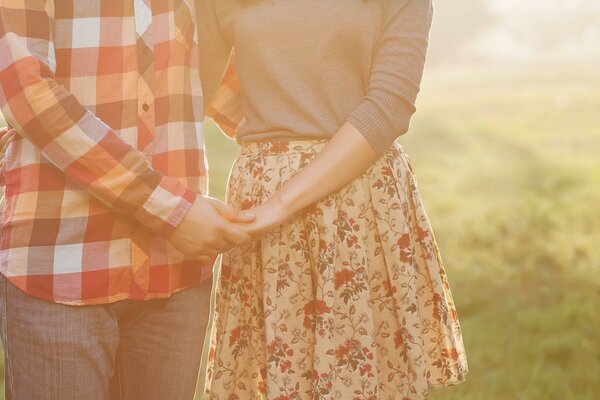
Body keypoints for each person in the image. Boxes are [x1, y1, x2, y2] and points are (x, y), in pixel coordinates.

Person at [198, 0, 469, 399]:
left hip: (361, 205)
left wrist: (283, 195)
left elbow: (389, 105)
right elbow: (189, 92)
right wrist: (276, 139)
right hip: (264, 206)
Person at [0, 1, 251, 399]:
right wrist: (171, 210)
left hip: (175, 274)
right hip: (62, 263)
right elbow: (26, 91)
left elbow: (224, 87)